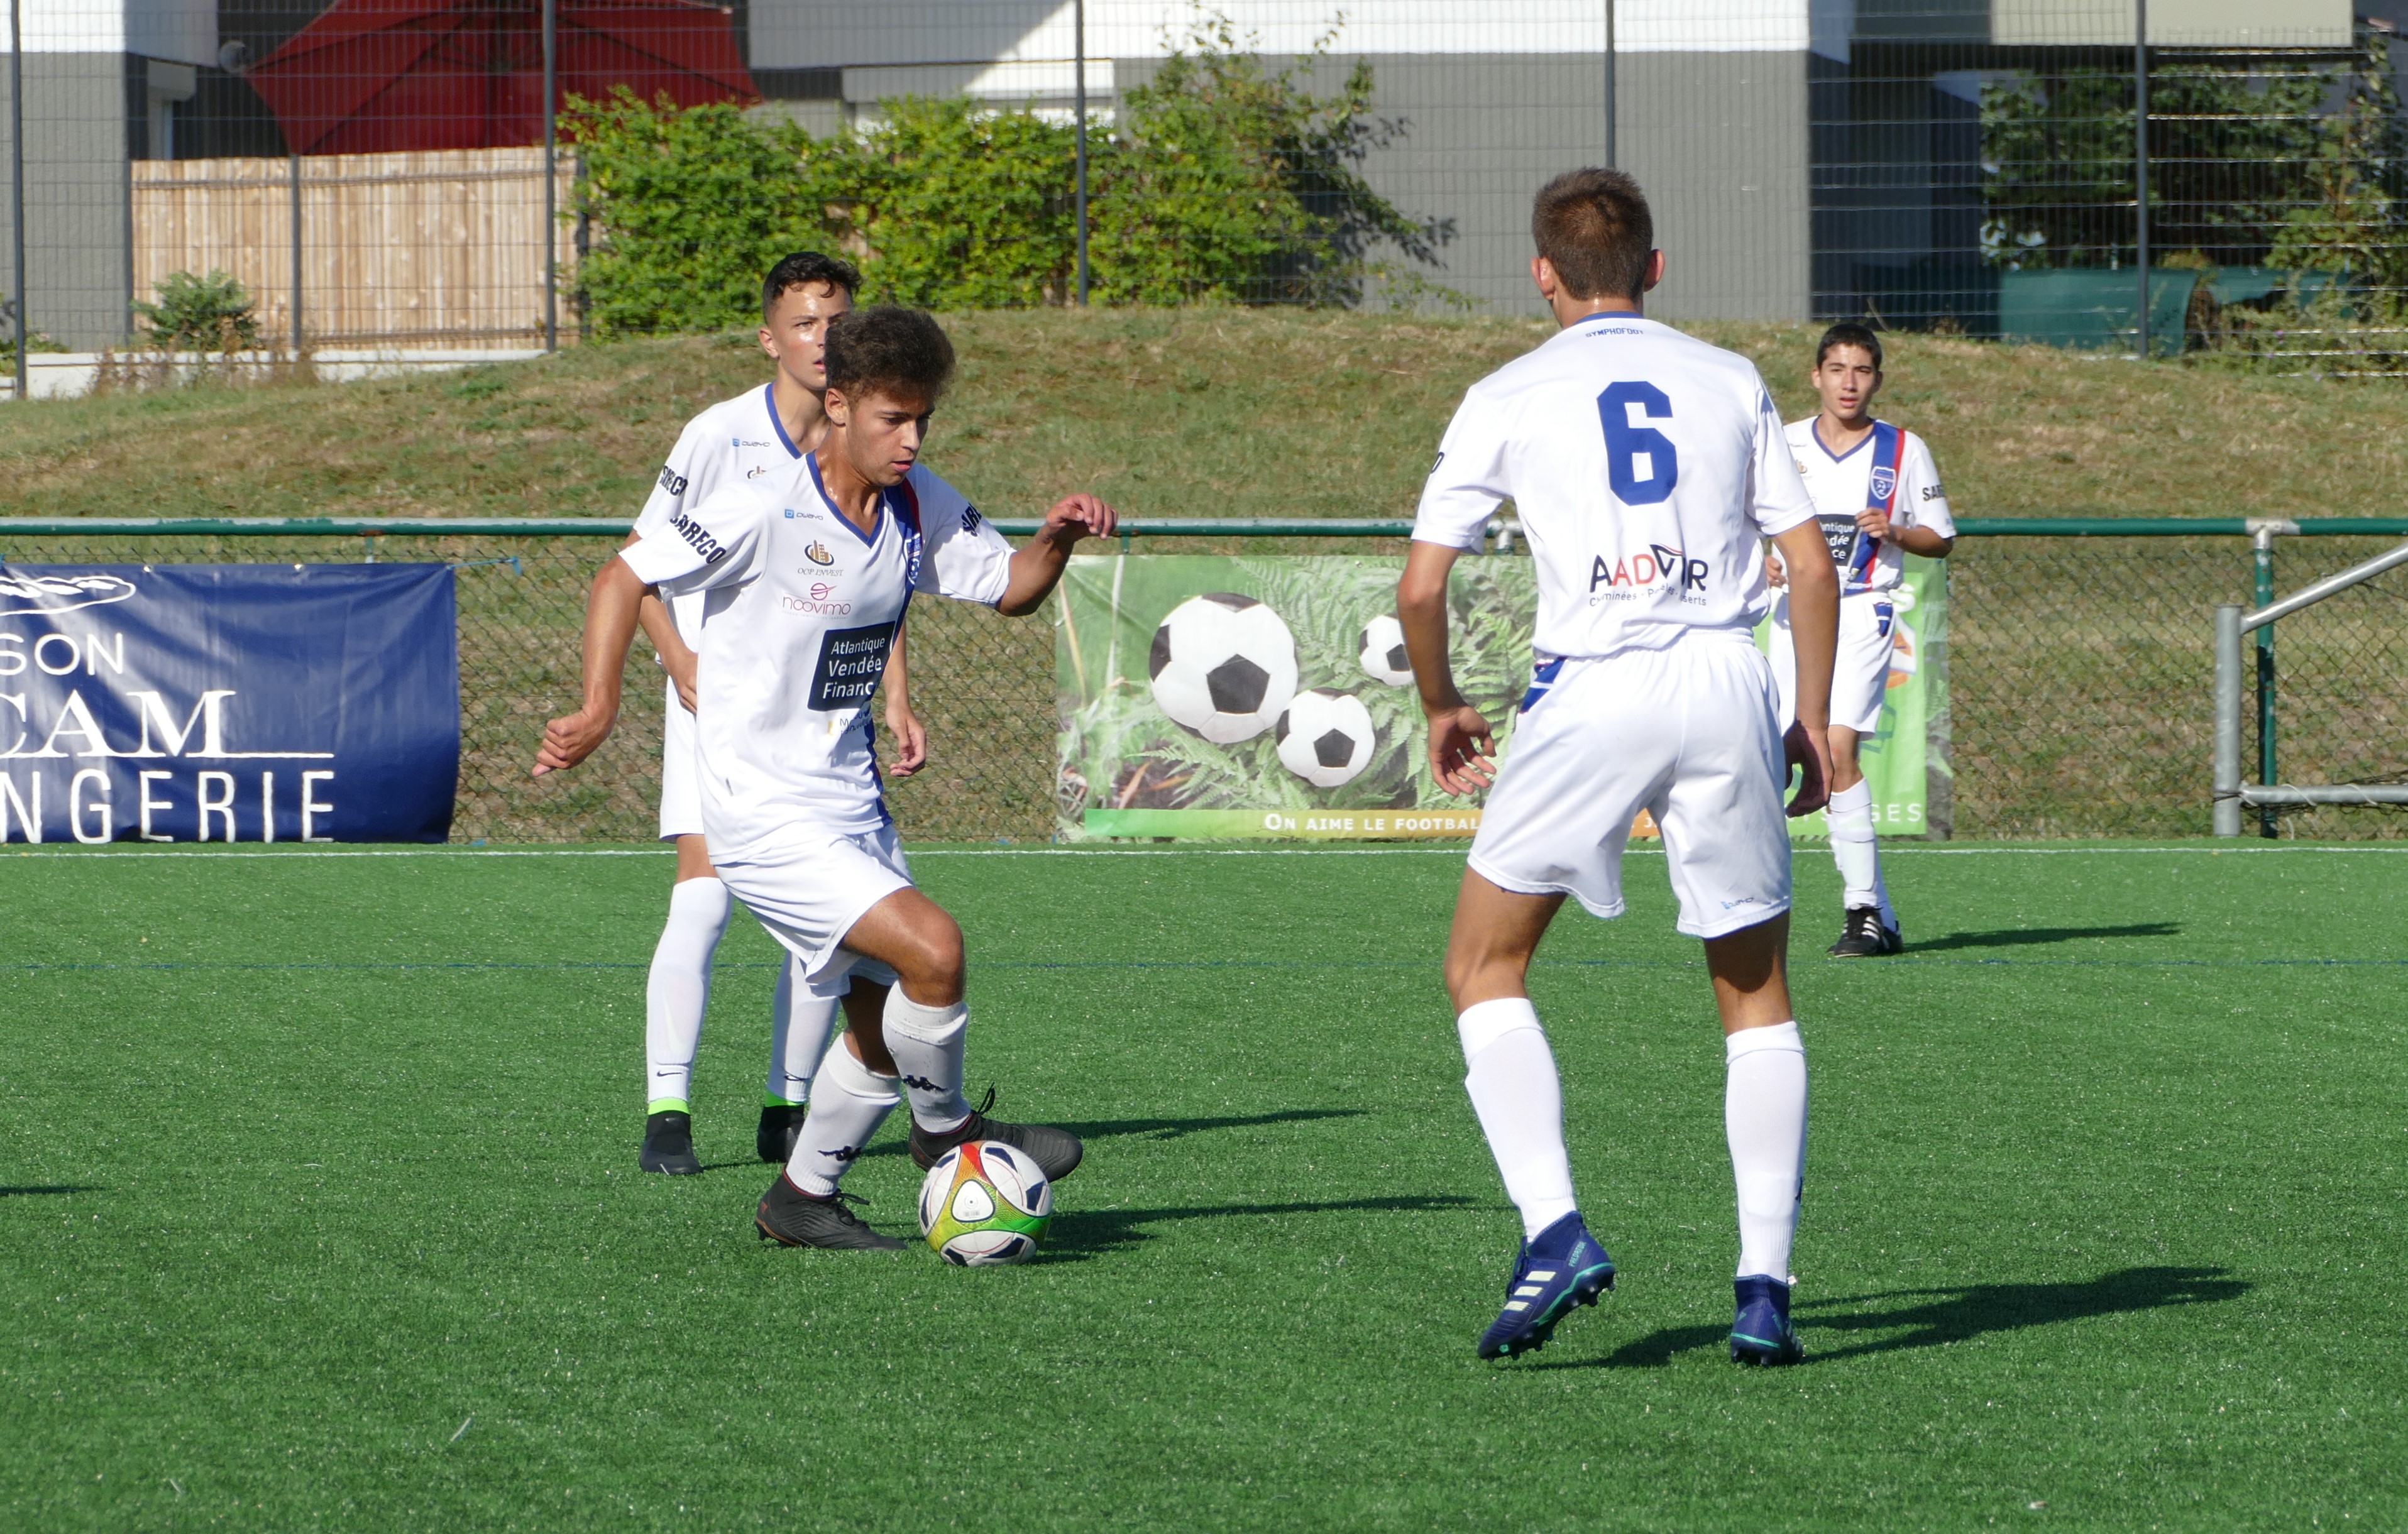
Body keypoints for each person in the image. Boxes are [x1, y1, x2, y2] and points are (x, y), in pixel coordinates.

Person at [536, 305, 1114, 1251]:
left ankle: (801, 1198)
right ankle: (948, 1132)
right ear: (838, 407)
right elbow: (620, 577)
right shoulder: (766, 504)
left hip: (849, 801)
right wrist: (600, 707)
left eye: (923, 419)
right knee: (934, 949)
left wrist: (1056, 538)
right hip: (759, 812)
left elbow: (1008, 587)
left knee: (883, 1025)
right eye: (893, 419)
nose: (912, 439)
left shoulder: (915, 498)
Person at [1398, 168, 1841, 1366]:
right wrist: (1805, 718)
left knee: (1482, 967)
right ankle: (1763, 1287)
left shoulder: (1504, 391)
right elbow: (1807, 569)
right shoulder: (1732, 378)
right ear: (1654, 267)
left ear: (1542, 272)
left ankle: (1554, 1230)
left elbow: (1422, 585)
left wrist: (1442, 701)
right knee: (1754, 996)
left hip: (1590, 689)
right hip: (1719, 680)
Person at [626, 251, 930, 1178]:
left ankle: (786, 1105)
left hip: (817, 719)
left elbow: (872, 585)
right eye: (805, 324)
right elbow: (635, 564)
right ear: (772, 338)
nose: (822, 340)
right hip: (721, 707)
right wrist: (682, 662)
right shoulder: (721, 435)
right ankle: (668, 1109)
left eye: (836, 323)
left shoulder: (873, 444)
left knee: (832, 920)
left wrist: (896, 691)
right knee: (705, 898)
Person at [1765, 322, 1957, 958]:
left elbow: (1942, 535)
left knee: (1835, 745)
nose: (1850, 383)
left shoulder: (1902, 449)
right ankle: (1879, 912)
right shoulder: (1781, 442)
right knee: (1782, 754)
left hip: (1865, 610)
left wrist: (1897, 530)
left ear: (1877, 379)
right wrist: (1760, 560)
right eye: (1838, 369)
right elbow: (1743, 520)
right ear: (1816, 375)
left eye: (1863, 371)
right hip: (1793, 614)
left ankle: (1862, 913)